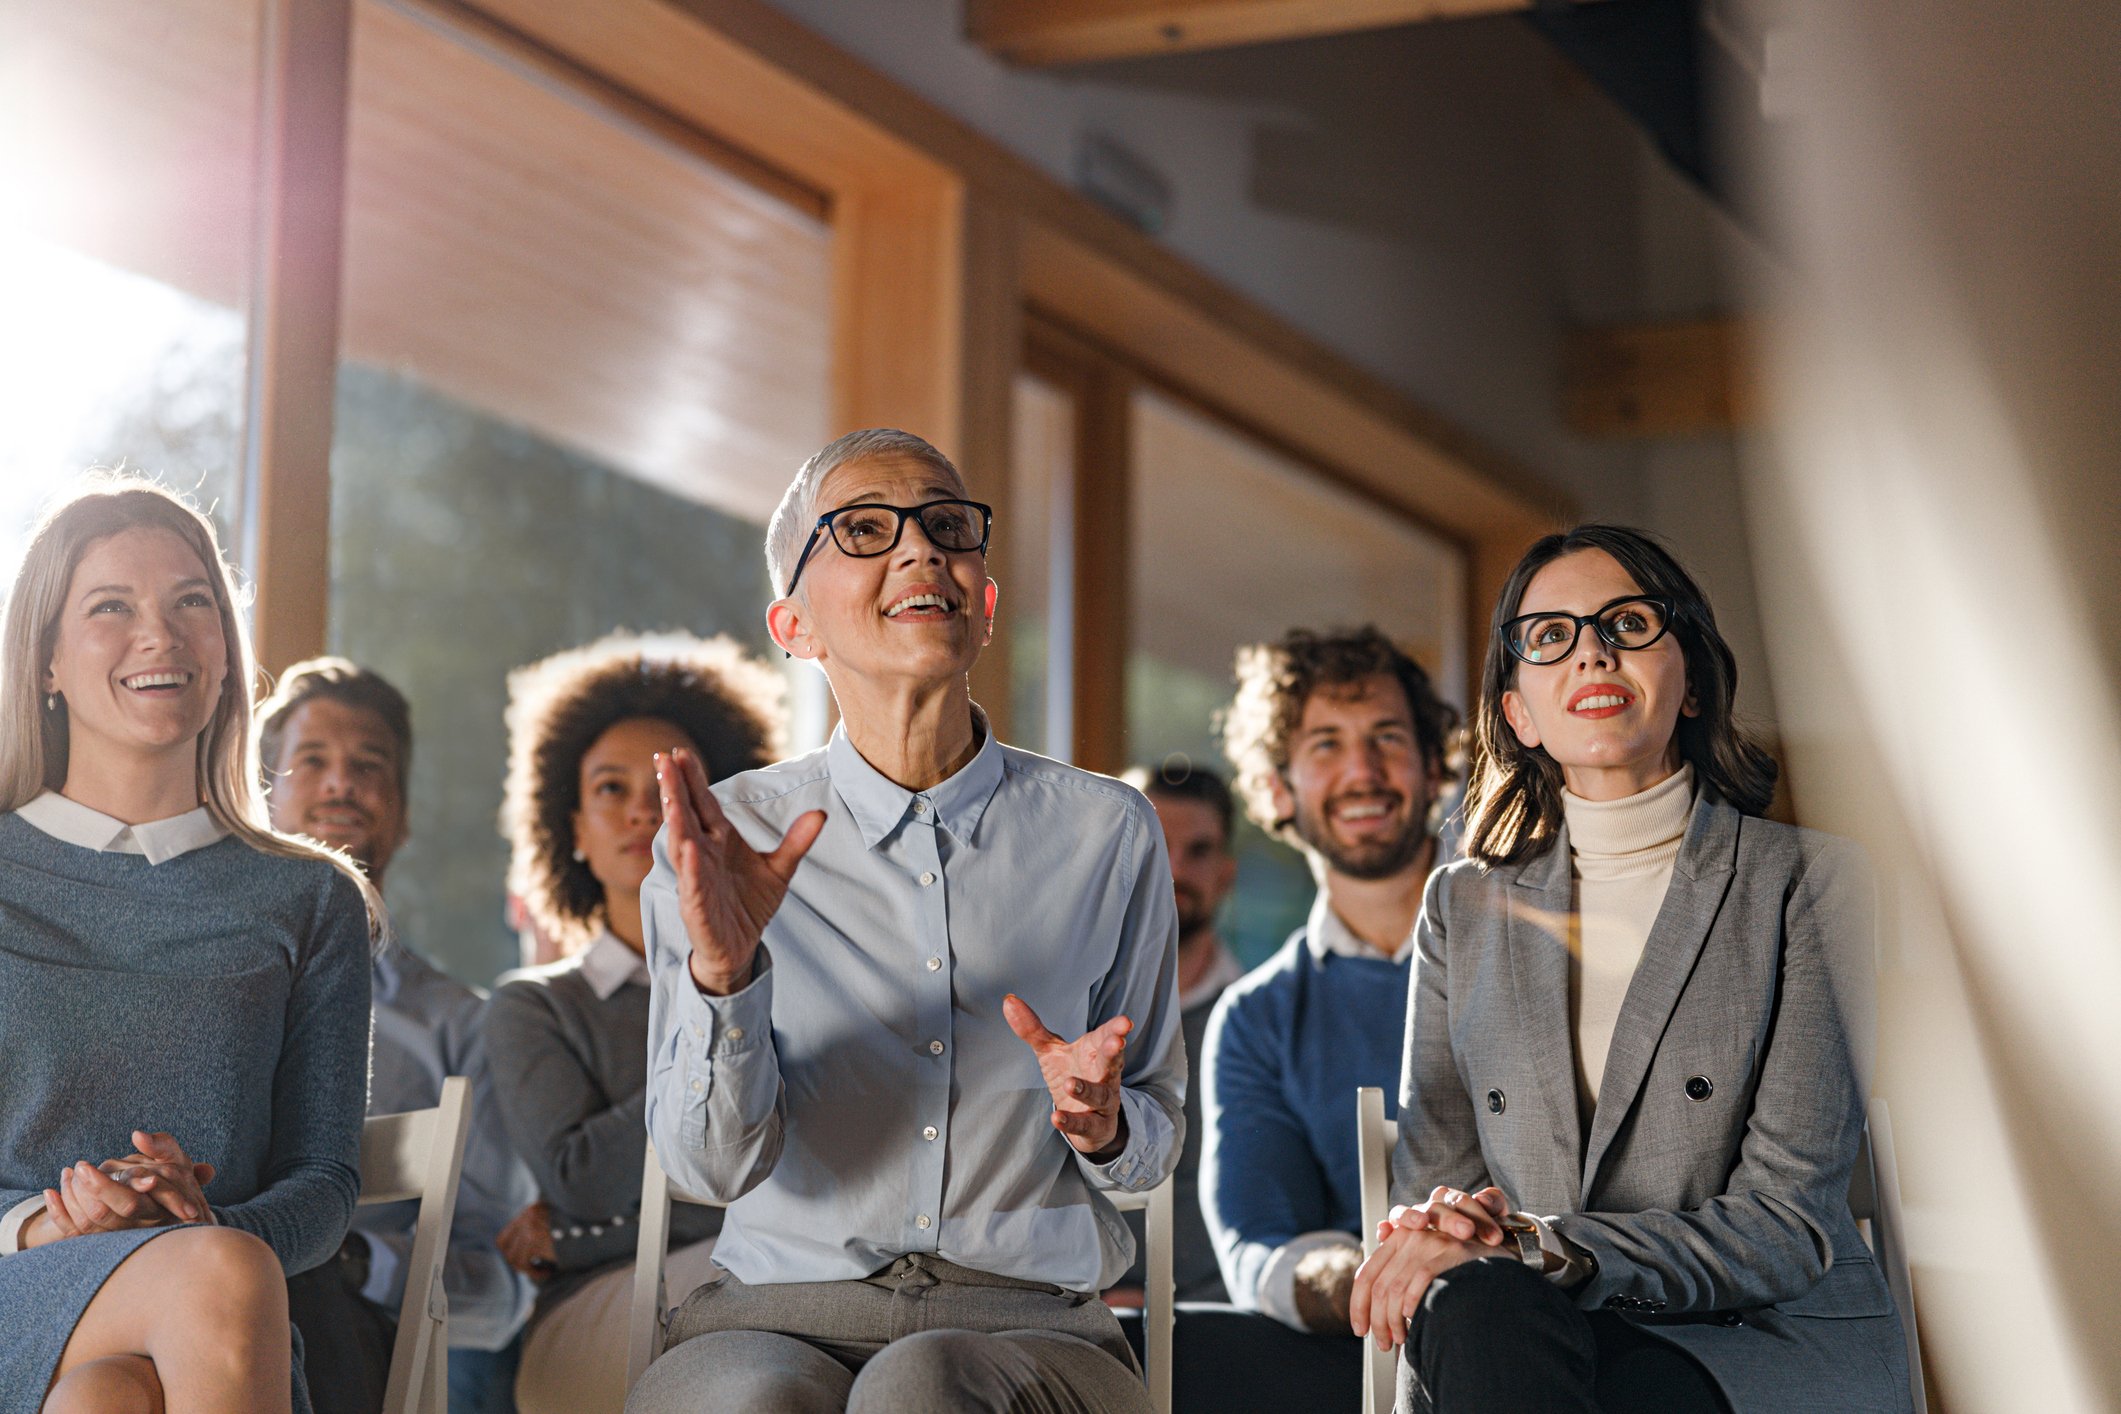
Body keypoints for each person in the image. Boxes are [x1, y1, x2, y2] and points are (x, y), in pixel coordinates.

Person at [628, 427, 1184, 1414]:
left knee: (920, 1388)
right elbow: (710, 1168)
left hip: (1035, 1325)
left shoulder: (1107, 832)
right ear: (794, 625)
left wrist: (1101, 1124)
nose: (920, 549)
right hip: (768, 1314)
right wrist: (726, 977)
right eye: (865, 530)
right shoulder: (725, 841)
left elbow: (1155, 1145)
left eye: (945, 526)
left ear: (985, 605)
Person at [1351, 524, 1907, 1413]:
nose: (1592, 653)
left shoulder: (1807, 882)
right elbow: (1436, 1185)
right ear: (1517, 711)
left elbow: (1786, 1226)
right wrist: (1456, 1234)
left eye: (1628, 622)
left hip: (1753, 1341)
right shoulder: (1460, 906)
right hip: (1519, 1329)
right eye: (1549, 636)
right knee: (1474, 1307)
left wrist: (1544, 1244)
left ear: (1689, 680)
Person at [0, 478, 379, 1413]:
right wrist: (47, 1226)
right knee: (216, 1276)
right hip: (20, 1285)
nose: (160, 635)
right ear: (45, 660)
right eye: (111, 607)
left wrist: (199, 1219)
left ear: (225, 652)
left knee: (109, 1399)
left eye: (191, 603)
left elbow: (324, 1186)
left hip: (213, 1324)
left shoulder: (312, 898)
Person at [488, 631, 783, 1414]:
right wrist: (724, 1026)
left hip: (765, 1290)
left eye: (668, 786)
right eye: (608, 790)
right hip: (604, 1315)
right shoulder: (536, 1005)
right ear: (572, 830)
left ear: (719, 809)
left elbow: (789, 1184)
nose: (638, 813)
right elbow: (580, 1180)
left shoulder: (781, 983)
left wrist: (576, 1240)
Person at [1184, 626, 1458, 1407]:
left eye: (1386, 738)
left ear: (1435, 764)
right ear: (1276, 788)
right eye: (1326, 745)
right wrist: (1378, 1282)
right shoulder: (1255, 1018)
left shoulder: (1526, 949)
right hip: (1361, 1354)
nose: (1362, 772)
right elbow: (1259, 1250)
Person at [258, 657, 538, 1414]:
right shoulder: (202, 991)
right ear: (264, 797)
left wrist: (349, 1261)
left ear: (402, 811)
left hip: (353, 1340)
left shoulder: (461, 1026)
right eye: (311, 761)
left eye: (367, 766)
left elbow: (495, 1292)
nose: (339, 783)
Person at [1108, 762, 1241, 1310]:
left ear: (1227, 873)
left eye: (1199, 851)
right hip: (1073, 1316)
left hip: (1221, 1322)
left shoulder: (1260, 1027)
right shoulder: (1058, 1017)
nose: (1175, 869)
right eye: (1156, 846)